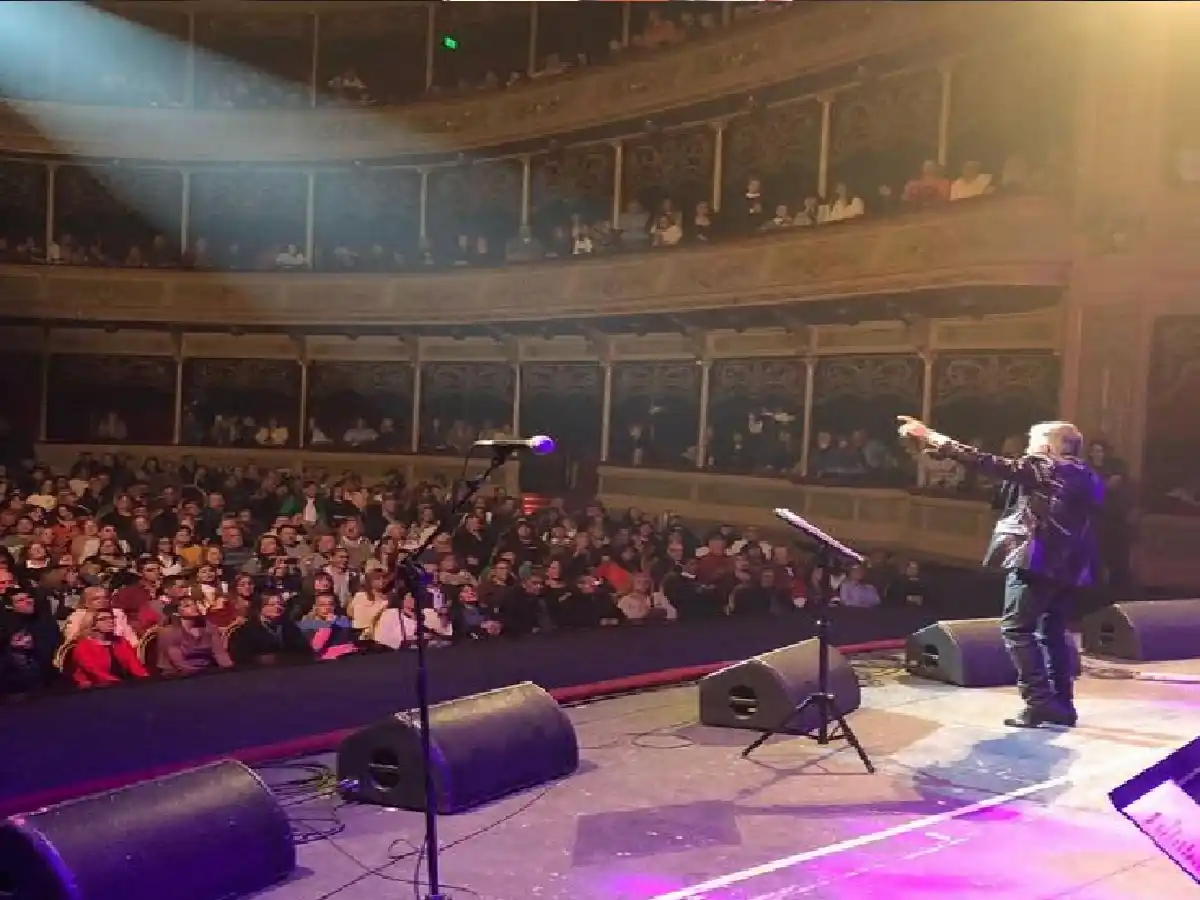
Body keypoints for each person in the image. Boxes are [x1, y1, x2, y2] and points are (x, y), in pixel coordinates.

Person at [898, 416, 1103, 728]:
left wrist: (931, 437)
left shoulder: (1044, 466)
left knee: (1017, 629)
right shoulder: (1087, 476)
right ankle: (1062, 704)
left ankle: (1039, 702)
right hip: (1070, 567)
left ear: (1046, 446)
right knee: (1052, 633)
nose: (1026, 449)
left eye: (1032, 443)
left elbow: (986, 462)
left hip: (1037, 560)